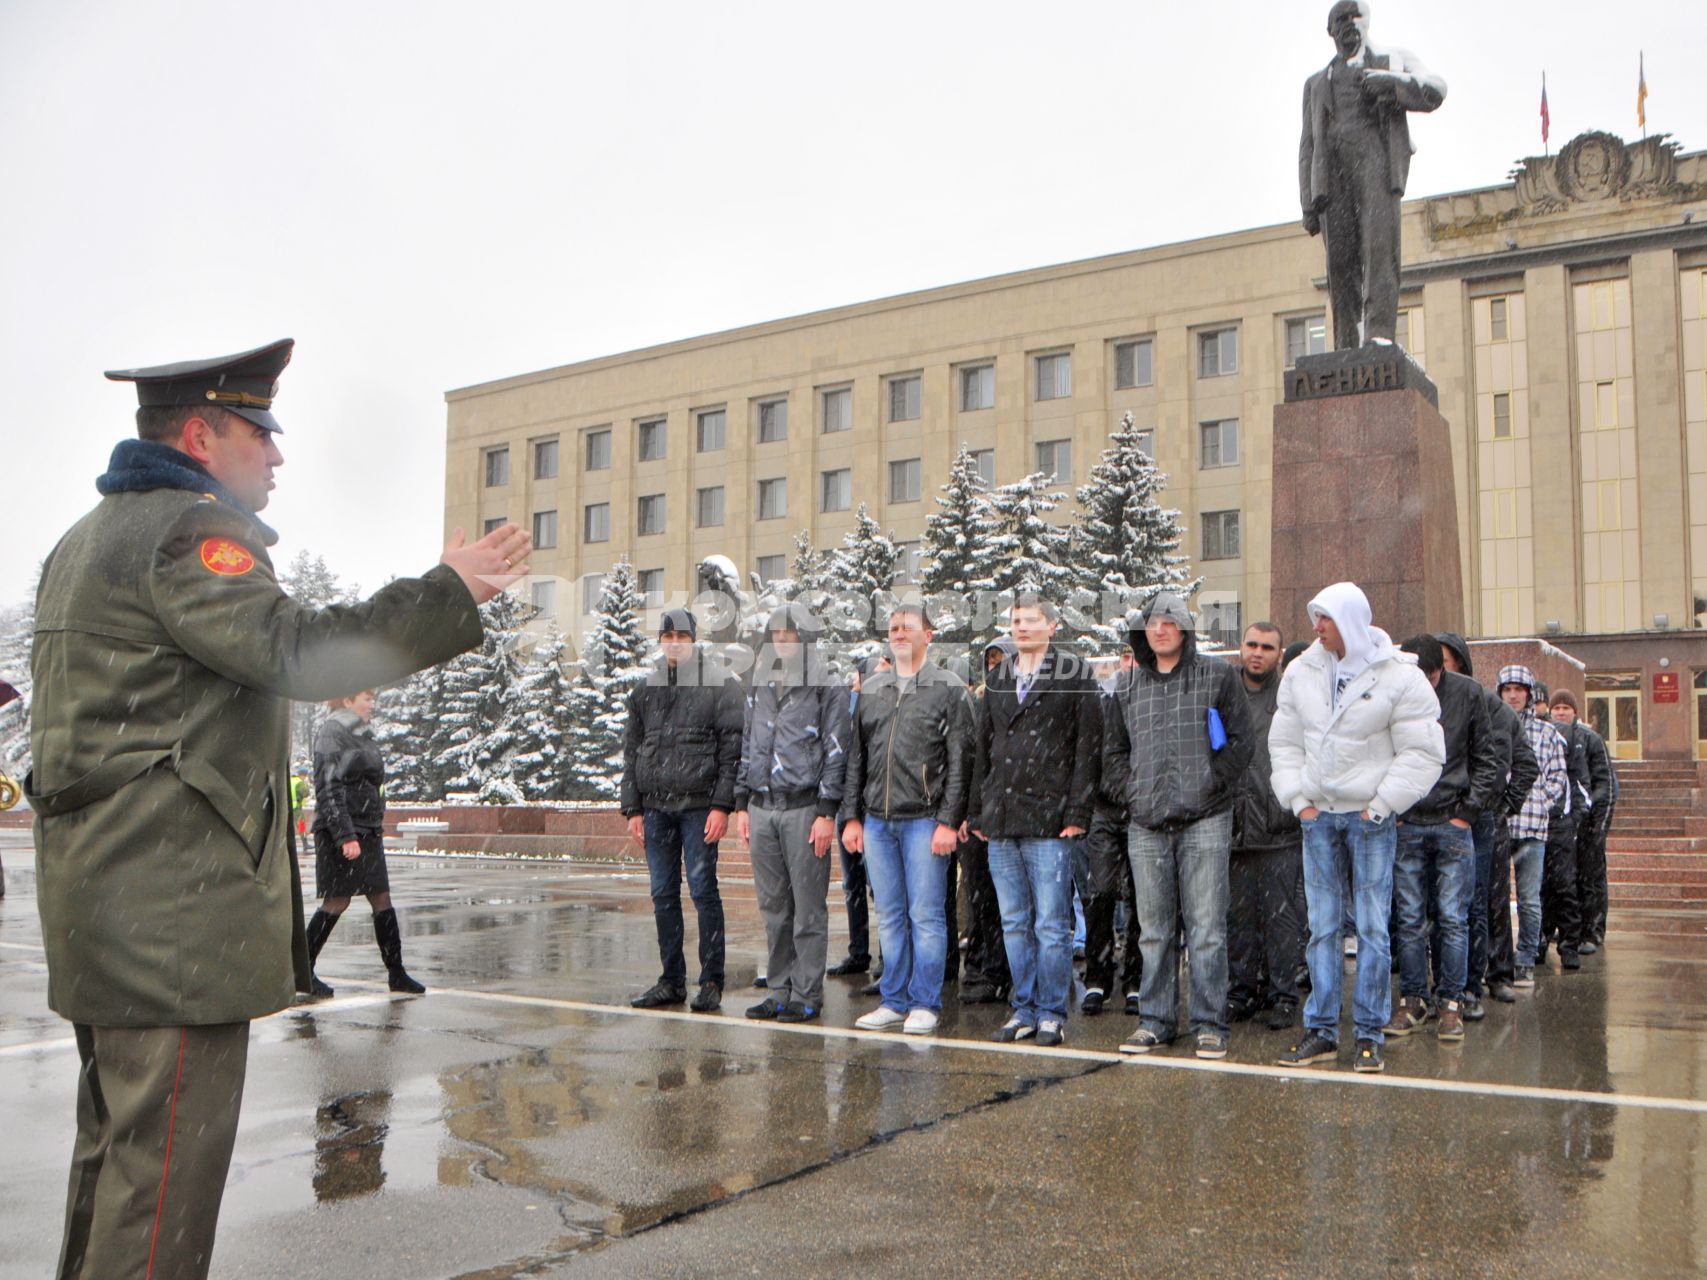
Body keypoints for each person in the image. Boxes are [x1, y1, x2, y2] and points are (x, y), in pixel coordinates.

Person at [27, 338, 526, 1280]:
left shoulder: (89, 537)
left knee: (116, 1169)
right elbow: (299, 650)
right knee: (160, 1186)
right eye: (260, 431)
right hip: (167, 923)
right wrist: (446, 592)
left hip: (108, 908)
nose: (278, 453)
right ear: (201, 434)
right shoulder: (184, 534)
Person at [1269, 582, 1443, 1074]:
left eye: (1324, 618)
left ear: (1349, 620)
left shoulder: (1398, 676)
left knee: (1371, 928)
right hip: (1318, 818)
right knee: (1321, 929)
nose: (1316, 628)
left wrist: (1383, 804)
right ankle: (1321, 1031)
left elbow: (1423, 751)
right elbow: (1284, 741)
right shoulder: (1302, 672)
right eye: (1315, 617)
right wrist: (1298, 800)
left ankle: (1369, 1034)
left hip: (1370, 819)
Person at [1105, 592, 1253, 1060]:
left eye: (1170, 621)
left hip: (1205, 819)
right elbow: (1112, 754)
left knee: (1207, 927)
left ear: (1186, 629)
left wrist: (1213, 785)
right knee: (1153, 930)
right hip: (1145, 823)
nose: (1160, 629)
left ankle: (1210, 1024)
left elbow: (1241, 743)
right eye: (1152, 622)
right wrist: (1130, 793)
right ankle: (1156, 1021)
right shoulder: (1125, 688)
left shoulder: (1218, 676)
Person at [970, 595, 1101, 1047]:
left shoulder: (1074, 674)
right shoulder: (999, 676)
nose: (1021, 627)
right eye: (1015, 621)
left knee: (1050, 924)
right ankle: (1022, 1009)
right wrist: (977, 810)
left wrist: (1078, 811)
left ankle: (1050, 1013)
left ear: (1052, 625)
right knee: (1014, 922)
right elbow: (982, 749)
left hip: (1051, 819)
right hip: (1001, 819)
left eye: (1030, 620)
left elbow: (1088, 747)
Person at [840, 603, 971, 1036]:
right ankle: (893, 1000)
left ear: (928, 635)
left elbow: (960, 761)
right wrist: (852, 817)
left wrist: (949, 820)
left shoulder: (948, 688)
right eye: (893, 628)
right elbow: (856, 760)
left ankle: (925, 1002)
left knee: (927, 916)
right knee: (892, 916)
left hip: (925, 821)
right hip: (877, 821)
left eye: (908, 627)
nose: (899, 634)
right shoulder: (872, 690)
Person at [1299, 1, 1446, 348]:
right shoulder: (1316, 83)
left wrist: (1392, 84)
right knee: (1340, 267)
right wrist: (1307, 203)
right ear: (1330, 30)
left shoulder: (1391, 61)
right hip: (1332, 182)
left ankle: (1379, 338)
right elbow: (1307, 145)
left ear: (1366, 23)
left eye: (1355, 18)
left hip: (1376, 169)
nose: (1349, 25)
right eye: (1340, 20)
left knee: (1380, 254)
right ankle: (1346, 345)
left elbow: (1436, 91)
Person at [623, 607, 744, 1013]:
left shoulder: (719, 684)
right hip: (656, 808)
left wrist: (722, 804)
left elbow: (732, 750)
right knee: (662, 894)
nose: (674, 642)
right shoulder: (645, 691)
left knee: (703, 892)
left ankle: (711, 980)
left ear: (694, 639)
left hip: (698, 807)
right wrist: (633, 808)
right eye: (667, 636)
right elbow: (632, 752)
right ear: (661, 640)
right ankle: (671, 980)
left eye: (682, 636)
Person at [735, 604, 849, 1024]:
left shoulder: (826, 685)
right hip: (762, 808)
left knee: (808, 909)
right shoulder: (760, 683)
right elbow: (749, 743)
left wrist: (826, 811)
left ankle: (806, 993)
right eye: (776, 635)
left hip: (804, 809)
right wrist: (741, 803)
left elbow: (837, 751)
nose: (782, 642)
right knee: (774, 909)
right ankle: (779, 989)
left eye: (789, 635)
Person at [1384, 636, 1501, 1043]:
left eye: (1429, 678)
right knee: (1410, 919)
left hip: (1452, 821)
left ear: (1440, 671)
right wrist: (1394, 810)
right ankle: (1413, 999)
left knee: (1454, 917)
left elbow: (1487, 759)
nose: (1423, 686)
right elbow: (1381, 752)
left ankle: (1450, 1001)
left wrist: (1465, 814)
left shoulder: (1468, 694)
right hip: (1408, 821)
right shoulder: (1393, 689)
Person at [1436, 632, 1537, 1010]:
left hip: (1484, 818)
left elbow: (1522, 765)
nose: (1438, 669)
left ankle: (1496, 975)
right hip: (1444, 815)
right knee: (1448, 905)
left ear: (1460, 663)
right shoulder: (1425, 702)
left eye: (1445, 661)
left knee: (1488, 900)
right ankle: (1451, 981)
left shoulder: (1491, 707)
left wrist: (1501, 806)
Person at [304, 689, 425, 998]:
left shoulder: (363, 735)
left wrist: (374, 819)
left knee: (381, 897)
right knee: (337, 901)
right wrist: (345, 834)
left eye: (373, 698)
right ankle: (301, 971)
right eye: (366, 698)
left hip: (367, 829)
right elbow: (328, 785)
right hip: (340, 829)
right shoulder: (333, 732)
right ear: (346, 701)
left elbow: (372, 783)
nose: (372, 704)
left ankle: (396, 974)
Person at [1228, 621, 1306, 1031]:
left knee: (1281, 921)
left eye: (1267, 647)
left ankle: (1282, 995)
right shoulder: (1224, 694)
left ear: (1279, 655)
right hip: (1234, 828)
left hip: (1279, 828)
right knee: (1237, 919)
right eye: (1251, 644)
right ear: (1241, 648)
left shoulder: (1291, 698)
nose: (1257, 652)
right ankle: (1242, 992)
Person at [1494, 666, 1567, 989]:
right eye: (1507, 689)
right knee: (1494, 898)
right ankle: (1498, 961)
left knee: (1529, 898)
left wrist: (1539, 803)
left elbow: (1558, 777)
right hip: (1498, 824)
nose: (1513, 695)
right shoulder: (1491, 726)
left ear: (1529, 693)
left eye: (1519, 689)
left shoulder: (1547, 733)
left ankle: (1525, 960)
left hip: (1532, 827)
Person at [1081, 639, 1142, 1018]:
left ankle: (1135, 981)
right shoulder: (1103, 702)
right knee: (1100, 894)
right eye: (1124, 656)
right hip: (1105, 810)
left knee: (1142, 901)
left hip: (1141, 812)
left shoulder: (1153, 700)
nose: (1128, 663)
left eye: (1135, 657)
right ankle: (1097, 978)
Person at [957, 640, 1015, 1005]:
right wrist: (966, 813)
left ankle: (999, 971)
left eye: (1001, 660)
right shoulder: (977, 701)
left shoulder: (1010, 700)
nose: (995, 667)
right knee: (979, 898)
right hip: (975, 815)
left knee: (1003, 901)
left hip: (1006, 814)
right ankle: (981, 966)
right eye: (990, 661)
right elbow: (968, 760)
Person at [827, 656, 887, 981]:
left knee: (879, 888)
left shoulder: (880, 709)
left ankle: (886, 958)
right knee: (852, 885)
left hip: (872, 809)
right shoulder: (849, 709)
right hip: (846, 809)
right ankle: (858, 952)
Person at [1542, 689, 1613, 967]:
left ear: (1575, 712)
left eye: (1566, 708)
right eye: (1556, 708)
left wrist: (1594, 820)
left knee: (1590, 878)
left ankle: (1592, 932)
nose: (1560, 712)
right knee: (1558, 881)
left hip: (1587, 822)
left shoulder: (1590, 739)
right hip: (1559, 823)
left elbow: (1603, 782)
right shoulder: (1547, 736)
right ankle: (1556, 931)